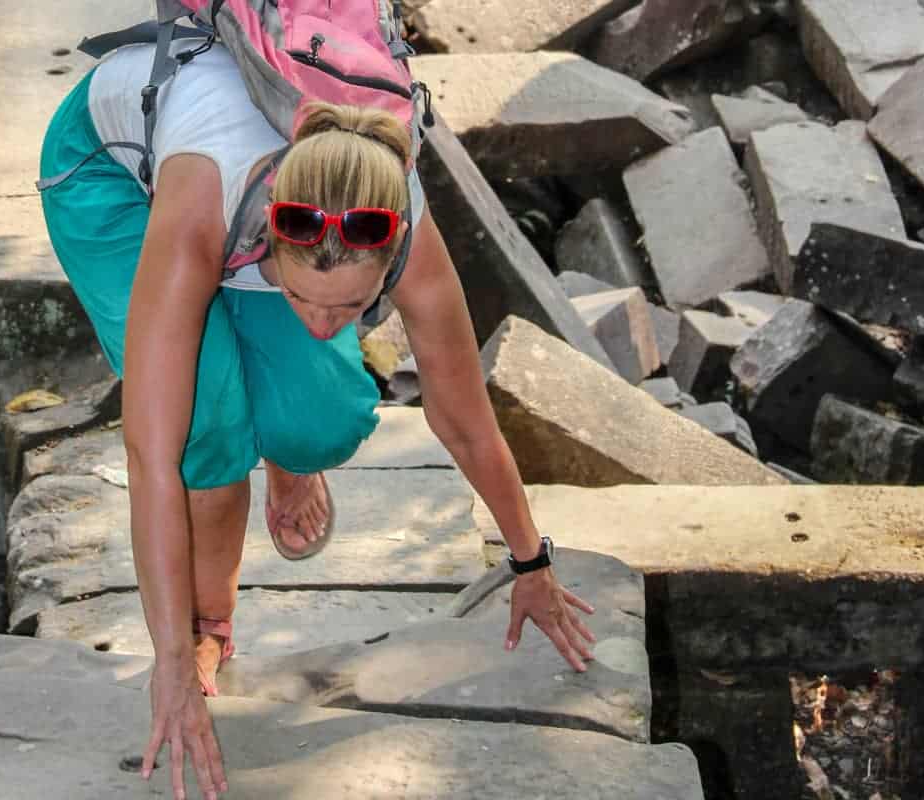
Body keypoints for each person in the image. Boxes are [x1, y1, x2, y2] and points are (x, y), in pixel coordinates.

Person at [40, 39, 596, 800]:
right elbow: (152, 458)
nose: (321, 322)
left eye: (350, 310)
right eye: (304, 299)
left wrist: (530, 563)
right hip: (111, 175)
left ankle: (289, 451)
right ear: (272, 231)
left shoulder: (404, 224)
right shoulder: (207, 206)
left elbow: (466, 421)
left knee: (324, 416)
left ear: (392, 250)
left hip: (246, 223)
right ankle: (214, 627)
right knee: (205, 425)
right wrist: (171, 660)